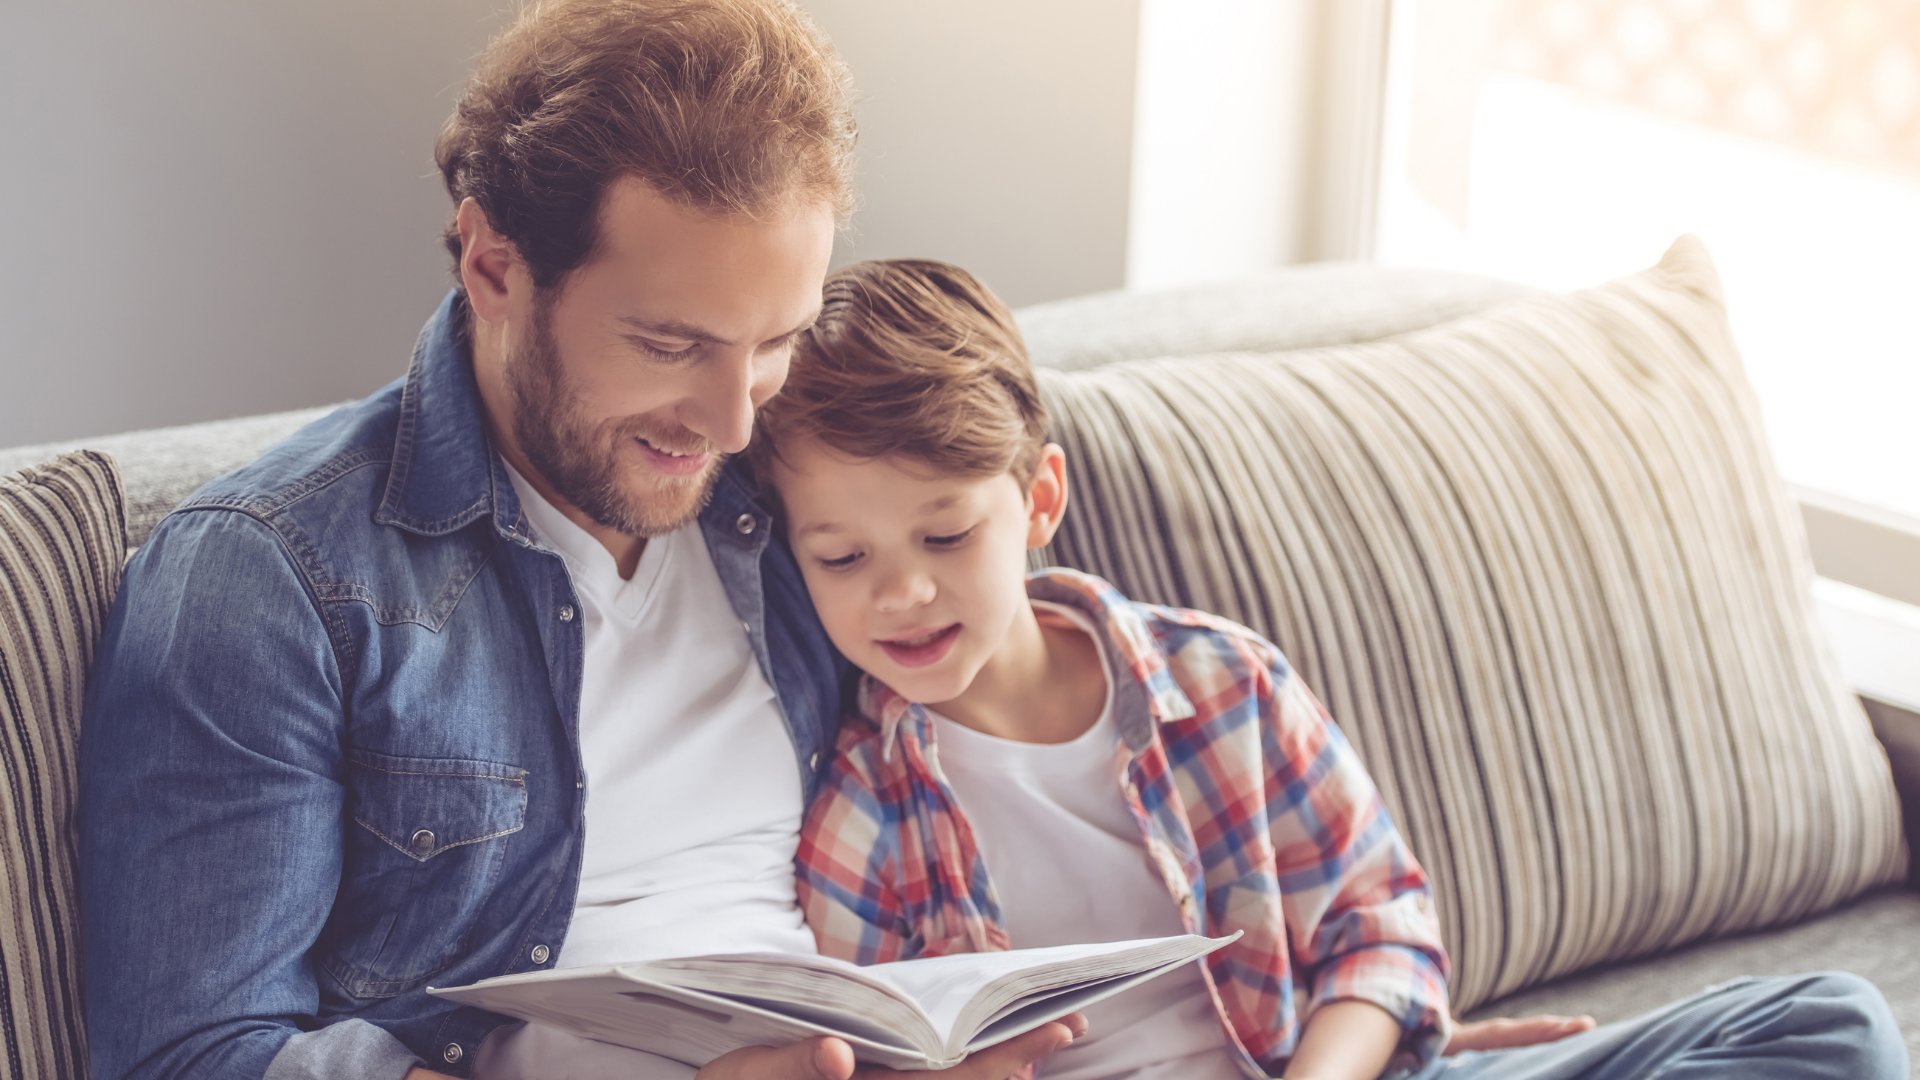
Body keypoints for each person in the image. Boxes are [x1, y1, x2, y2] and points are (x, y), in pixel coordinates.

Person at [75, 3, 1077, 1078]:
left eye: (775, 343)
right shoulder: (268, 577)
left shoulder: (794, 493)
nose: (733, 421)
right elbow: (192, 1057)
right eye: (669, 343)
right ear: (493, 267)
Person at [759, 258, 1912, 1080]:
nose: (900, 593)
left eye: (946, 536)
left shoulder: (1220, 685)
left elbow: (1383, 931)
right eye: (843, 556)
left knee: (1830, 1025)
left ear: (1039, 502)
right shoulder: (863, 827)